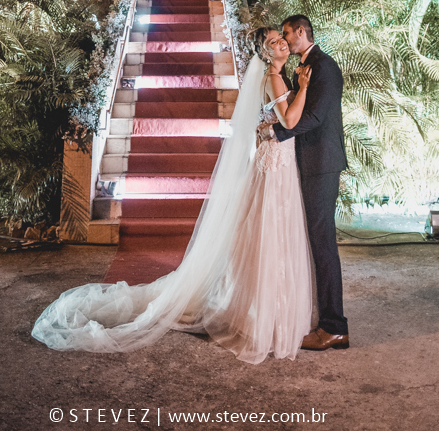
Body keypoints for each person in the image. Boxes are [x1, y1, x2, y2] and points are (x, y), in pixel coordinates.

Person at [32, 28, 315, 364]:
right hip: (274, 169)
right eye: (273, 41)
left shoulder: (275, 78)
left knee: (268, 237)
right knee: (270, 235)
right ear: (266, 54)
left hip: (274, 165)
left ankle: (263, 310)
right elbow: (292, 118)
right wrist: (306, 88)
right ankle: (263, 316)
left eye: (280, 38)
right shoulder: (273, 78)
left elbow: (271, 121)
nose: (281, 42)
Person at [258, 14, 349, 350]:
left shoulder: (324, 67)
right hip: (306, 162)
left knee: (323, 244)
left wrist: (275, 132)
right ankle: (323, 318)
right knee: (314, 242)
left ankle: (334, 326)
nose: (284, 40)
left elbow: (314, 117)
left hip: (321, 164)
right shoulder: (305, 67)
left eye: (286, 34)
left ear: (301, 32)